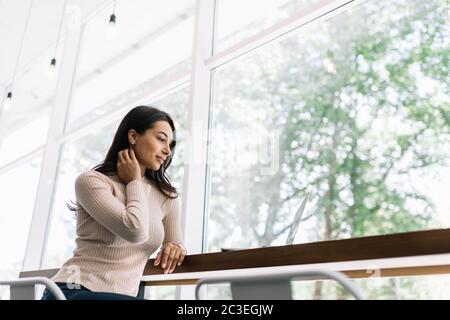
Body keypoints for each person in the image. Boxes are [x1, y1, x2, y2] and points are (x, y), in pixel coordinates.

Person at [41, 106, 186, 300]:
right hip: (72, 290)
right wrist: (134, 181)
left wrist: (177, 247)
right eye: (161, 139)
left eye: (171, 144)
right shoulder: (92, 181)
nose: (168, 151)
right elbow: (134, 231)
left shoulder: (166, 196)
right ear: (133, 136)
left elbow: (174, 244)